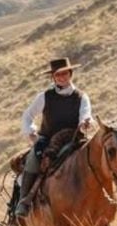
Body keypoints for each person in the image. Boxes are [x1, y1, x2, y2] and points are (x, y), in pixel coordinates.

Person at [14, 57, 93, 217]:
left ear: (71, 74)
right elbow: (27, 115)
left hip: (73, 138)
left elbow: (86, 114)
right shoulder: (44, 96)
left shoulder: (81, 97)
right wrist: (31, 132)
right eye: (58, 75)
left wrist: (85, 122)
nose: (62, 77)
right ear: (53, 77)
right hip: (47, 140)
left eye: (65, 73)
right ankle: (24, 201)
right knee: (33, 159)